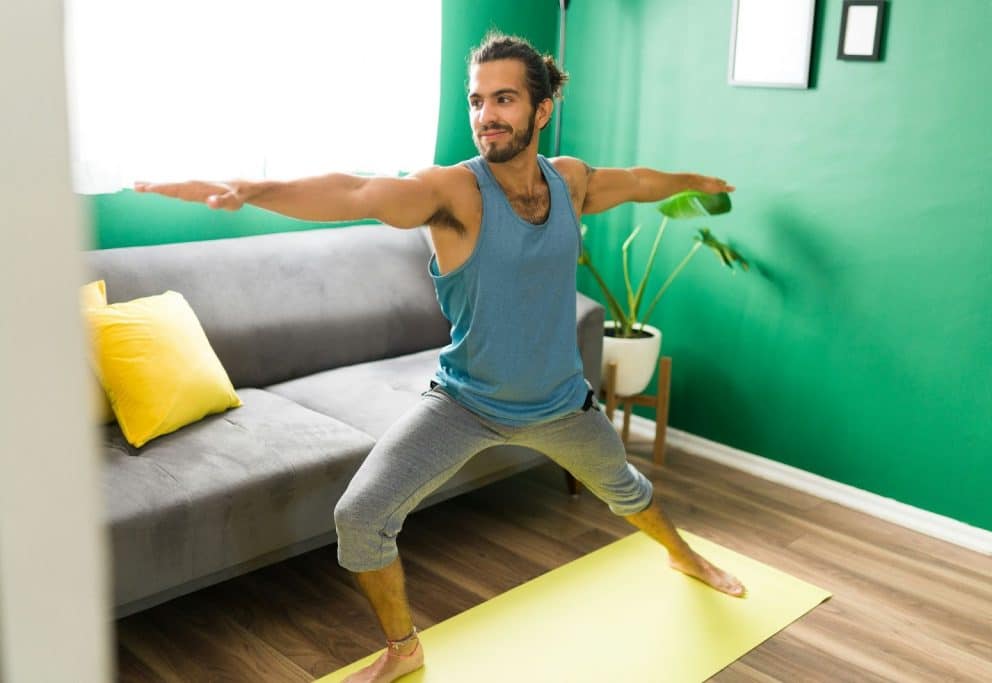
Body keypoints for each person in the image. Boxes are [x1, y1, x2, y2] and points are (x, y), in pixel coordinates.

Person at [135, 31, 746, 683]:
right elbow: (357, 193)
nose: (487, 115)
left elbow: (638, 182)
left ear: (541, 110)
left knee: (627, 491)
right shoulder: (452, 193)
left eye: (505, 99)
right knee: (360, 516)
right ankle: (404, 646)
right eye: (478, 100)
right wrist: (252, 188)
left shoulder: (568, 181)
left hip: (564, 405)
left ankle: (685, 556)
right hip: (463, 403)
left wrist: (695, 181)